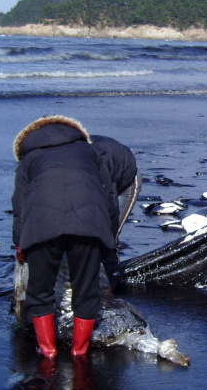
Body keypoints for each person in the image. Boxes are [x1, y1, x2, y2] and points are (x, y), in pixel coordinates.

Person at [12, 115, 116, 358]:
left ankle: (48, 350)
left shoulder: (29, 158)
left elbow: (19, 205)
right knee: (86, 289)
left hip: (42, 227)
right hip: (88, 225)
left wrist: (19, 243)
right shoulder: (89, 152)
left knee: (40, 289)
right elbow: (108, 194)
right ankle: (80, 351)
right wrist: (109, 236)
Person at [90, 134, 141, 289]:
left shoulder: (97, 161)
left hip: (124, 184)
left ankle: (110, 288)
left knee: (107, 240)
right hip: (97, 183)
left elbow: (109, 206)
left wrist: (108, 238)